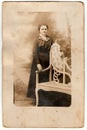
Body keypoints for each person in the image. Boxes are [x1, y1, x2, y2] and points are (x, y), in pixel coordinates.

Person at [27, 24, 53, 98]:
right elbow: (34, 52)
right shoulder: (36, 40)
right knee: (37, 79)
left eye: (45, 29)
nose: (44, 30)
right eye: (42, 29)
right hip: (38, 62)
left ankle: (45, 97)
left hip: (47, 62)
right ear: (39, 30)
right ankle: (36, 97)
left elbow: (54, 49)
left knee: (46, 79)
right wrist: (38, 63)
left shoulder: (50, 39)